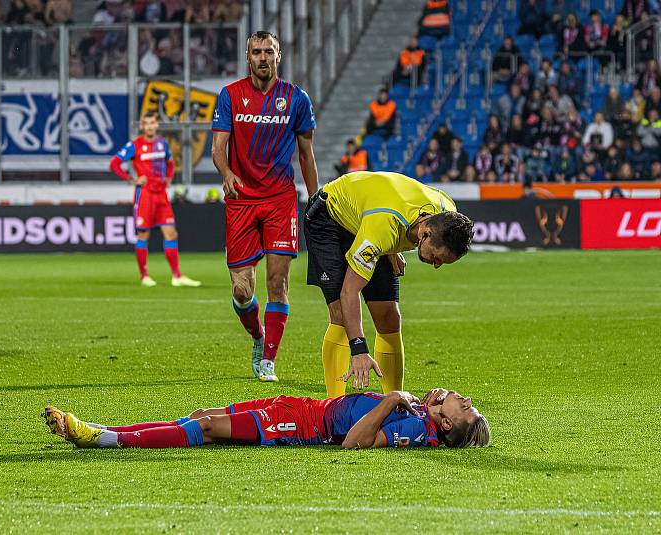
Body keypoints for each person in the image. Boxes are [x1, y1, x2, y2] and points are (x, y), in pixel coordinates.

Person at [303, 171, 473, 396]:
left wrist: (392, 248)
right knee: (341, 316)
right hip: (329, 217)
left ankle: (395, 401)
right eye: (437, 257)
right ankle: (333, 407)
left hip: (371, 217)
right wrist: (359, 349)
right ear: (425, 233)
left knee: (389, 318)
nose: (436, 265)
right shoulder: (383, 229)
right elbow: (350, 292)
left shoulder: (447, 213)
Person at [211, 31, 319, 382]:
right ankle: (258, 335)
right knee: (242, 290)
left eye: (268, 51)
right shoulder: (230, 96)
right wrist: (226, 172)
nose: (262, 57)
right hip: (241, 199)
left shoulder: (296, 99)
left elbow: (306, 154)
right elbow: (217, 147)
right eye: (256, 52)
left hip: (280, 200)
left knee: (278, 282)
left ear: (279, 55)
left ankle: (269, 359)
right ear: (247, 57)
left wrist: (316, 199)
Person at [43, 387, 491, 449]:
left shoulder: (415, 429)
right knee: (201, 415)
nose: (463, 398)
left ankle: (100, 440)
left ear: (448, 425)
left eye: (465, 407)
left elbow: (354, 442)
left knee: (204, 429)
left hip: (301, 427)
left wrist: (392, 397)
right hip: (300, 406)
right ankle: (102, 429)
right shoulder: (421, 411)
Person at [110, 111, 201, 288]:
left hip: (161, 195)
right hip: (144, 195)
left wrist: (168, 179)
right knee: (144, 234)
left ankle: (177, 276)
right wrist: (132, 180)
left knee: (171, 233)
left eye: (153, 122)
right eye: (147, 123)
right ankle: (144, 276)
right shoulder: (135, 145)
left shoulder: (161, 143)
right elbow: (114, 163)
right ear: (142, 126)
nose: (150, 126)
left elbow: (170, 163)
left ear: (156, 125)